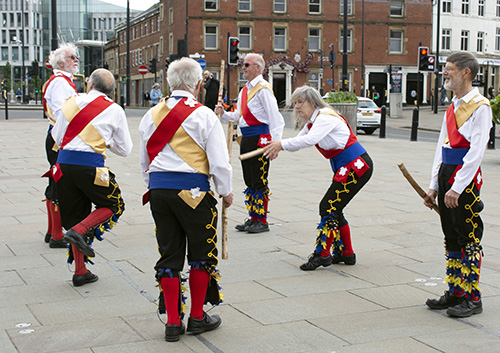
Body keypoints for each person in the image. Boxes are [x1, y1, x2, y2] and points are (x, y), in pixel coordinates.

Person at [139, 57, 233, 342]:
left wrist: (154, 186)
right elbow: (219, 161)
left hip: (159, 190)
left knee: (169, 254)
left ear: (169, 82)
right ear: (198, 84)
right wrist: (225, 190)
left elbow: (144, 161)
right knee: (201, 256)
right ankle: (196, 317)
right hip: (193, 193)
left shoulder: (150, 114)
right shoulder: (204, 115)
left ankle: (171, 322)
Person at [264, 86, 373, 270]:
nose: (297, 107)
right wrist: (276, 147)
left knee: (328, 206)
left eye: (300, 102)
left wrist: (280, 144)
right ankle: (346, 254)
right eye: (295, 103)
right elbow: (298, 142)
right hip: (347, 167)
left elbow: (309, 140)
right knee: (334, 207)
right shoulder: (312, 122)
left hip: (357, 166)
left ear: (312, 102)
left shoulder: (325, 117)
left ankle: (322, 255)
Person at [424, 52, 492, 318]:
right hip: (447, 173)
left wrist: (457, 187)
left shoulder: (480, 106)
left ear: (466, 72)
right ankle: (456, 291)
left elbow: (476, 152)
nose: (445, 72)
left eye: (450, 69)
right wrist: (434, 185)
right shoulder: (453, 105)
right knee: (450, 235)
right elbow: (442, 146)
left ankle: (473, 298)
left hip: (464, 178)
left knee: (468, 236)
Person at [51, 68, 133, 286]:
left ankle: (80, 271)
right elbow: (125, 149)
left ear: (89, 84)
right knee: (114, 204)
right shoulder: (114, 109)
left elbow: (56, 136)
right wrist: (103, 140)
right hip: (90, 168)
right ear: (111, 90)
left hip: (63, 166)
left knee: (77, 214)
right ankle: (79, 231)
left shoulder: (70, 102)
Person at [215, 53, 285, 233]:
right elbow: (239, 116)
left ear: (258, 68)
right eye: (242, 64)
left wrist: (276, 143)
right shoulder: (245, 89)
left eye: (247, 65)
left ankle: (262, 220)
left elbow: (275, 118)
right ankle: (253, 217)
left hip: (260, 139)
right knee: (249, 179)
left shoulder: (263, 89)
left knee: (259, 178)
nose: (243, 68)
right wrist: (223, 114)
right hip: (246, 137)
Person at [41, 43, 80, 249]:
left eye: (76, 57)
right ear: (61, 62)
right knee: (59, 184)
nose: (76, 60)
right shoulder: (60, 83)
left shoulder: (62, 81)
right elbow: (60, 113)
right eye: (72, 57)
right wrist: (67, 139)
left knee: (55, 182)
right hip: (59, 138)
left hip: (58, 136)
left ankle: (52, 231)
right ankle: (57, 234)